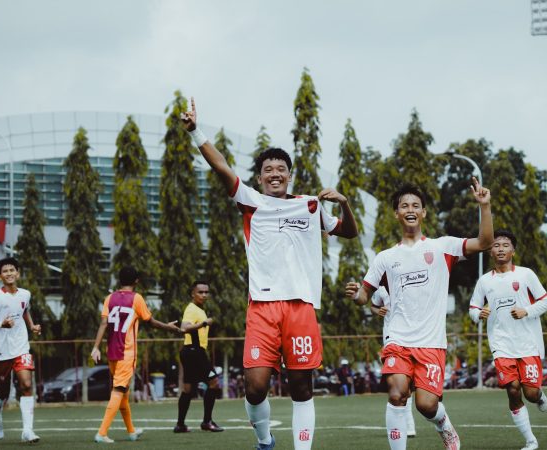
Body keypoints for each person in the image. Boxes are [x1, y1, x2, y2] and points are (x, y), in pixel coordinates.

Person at [183, 98, 359, 450]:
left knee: (301, 387)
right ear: (260, 176)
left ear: (288, 174)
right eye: (268, 169)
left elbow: (350, 232)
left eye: (281, 167)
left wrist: (343, 203)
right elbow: (221, 168)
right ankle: (265, 440)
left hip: (300, 307)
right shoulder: (250, 201)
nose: (275, 173)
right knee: (255, 386)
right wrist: (196, 132)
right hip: (262, 307)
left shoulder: (310, 205)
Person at [347, 181, 493, 450]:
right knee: (397, 393)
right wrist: (356, 293)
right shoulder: (385, 258)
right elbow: (364, 297)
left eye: (415, 205)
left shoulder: (443, 247)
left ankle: (443, 424)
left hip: (431, 344)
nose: (410, 209)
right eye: (404, 206)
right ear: (396, 213)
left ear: (424, 212)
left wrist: (484, 206)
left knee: (426, 405)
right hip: (397, 340)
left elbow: (484, 242)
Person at [470, 229, 547, 450]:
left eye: (505, 245)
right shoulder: (485, 281)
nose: (500, 249)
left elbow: (546, 302)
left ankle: (540, 395)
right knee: (513, 389)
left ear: (513, 250)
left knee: (531, 394)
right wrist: (479, 314)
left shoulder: (526, 275)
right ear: (490, 252)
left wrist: (527, 311)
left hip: (528, 343)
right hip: (501, 345)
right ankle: (530, 440)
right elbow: (473, 307)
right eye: (496, 245)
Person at [91, 266, 185, 443]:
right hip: (126, 352)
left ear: (119, 280)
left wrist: (95, 347)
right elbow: (151, 322)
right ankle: (102, 433)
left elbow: (103, 324)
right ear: (136, 281)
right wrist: (169, 327)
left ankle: (131, 432)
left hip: (110, 351)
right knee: (118, 390)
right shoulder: (137, 299)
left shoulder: (109, 298)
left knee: (123, 393)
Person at [0, 258, 41, 443]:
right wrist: (0, 324)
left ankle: (27, 431)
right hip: (1, 350)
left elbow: (25, 310)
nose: (9, 273)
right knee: (3, 392)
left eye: (12, 270)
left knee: (27, 385)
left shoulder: (25, 294)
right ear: (0, 276)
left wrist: (32, 326)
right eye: (5, 271)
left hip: (21, 346)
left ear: (18, 273)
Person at [174, 280, 224, 433]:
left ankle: (180, 425)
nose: (204, 295)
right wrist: (203, 323)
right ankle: (207, 422)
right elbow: (184, 328)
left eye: (206, 292)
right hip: (195, 352)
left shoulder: (199, 309)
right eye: (200, 292)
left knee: (188, 389)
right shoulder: (192, 309)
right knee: (214, 382)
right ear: (192, 294)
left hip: (190, 352)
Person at [370, 286, 417, 438]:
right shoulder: (381, 288)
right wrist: (378, 311)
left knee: (410, 387)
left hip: (414, 338)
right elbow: (373, 306)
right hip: (392, 340)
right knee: (398, 388)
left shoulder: (410, 281)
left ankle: (406, 422)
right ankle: (406, 424)